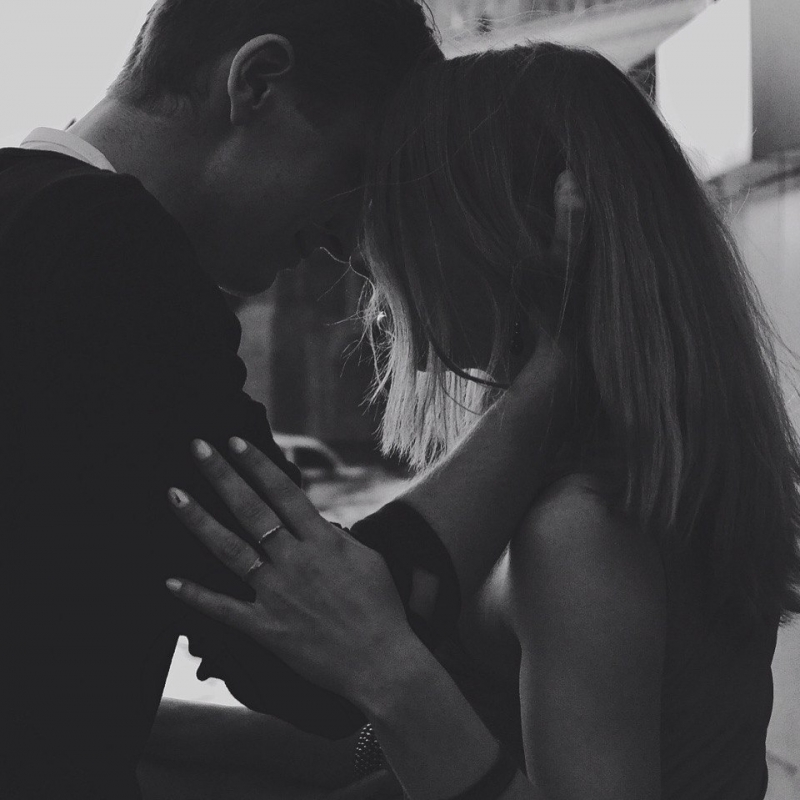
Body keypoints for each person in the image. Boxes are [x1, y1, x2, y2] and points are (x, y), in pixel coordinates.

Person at [160, 44, 800, 800]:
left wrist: (385, 667)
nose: (367, 260)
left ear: (500, 231)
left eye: (400, 219)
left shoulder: (581, 529)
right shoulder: (632, 472)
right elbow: (437, 750)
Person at [0, 5, 578, 799]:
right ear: (257, 81)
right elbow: (304, 656)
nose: (349, 238)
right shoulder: (106, 249)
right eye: (353, 169)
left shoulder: (31, 219)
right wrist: (555, 377)